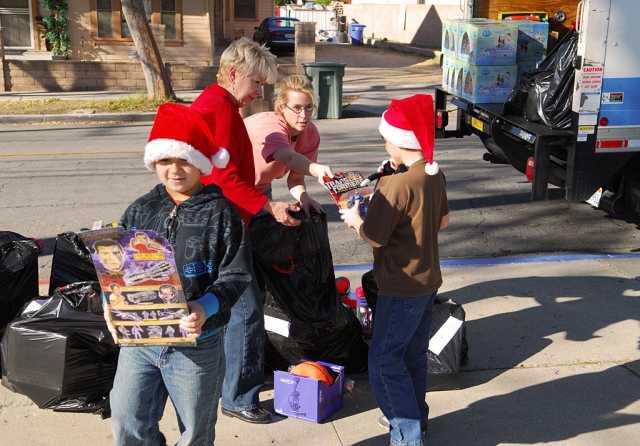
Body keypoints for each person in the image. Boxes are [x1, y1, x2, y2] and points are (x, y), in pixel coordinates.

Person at [104, 102, 253, 445]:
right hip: (141, 340)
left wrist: (205, 307)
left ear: (201, 162)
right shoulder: (140, 208)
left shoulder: (222, 214)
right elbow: (117, 269)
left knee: (195, 433)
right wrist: (109, 305)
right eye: (164, 160)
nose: (174, 170)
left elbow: (237, 274)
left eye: (184, 159)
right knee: (127, 423)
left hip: (196, 346)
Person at [190, 37, 296, 424]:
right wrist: (267, 204)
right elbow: (224, 178)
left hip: (223, 222)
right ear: (234, 74)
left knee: (226, 309)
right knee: (245, 312)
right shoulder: (218, 107)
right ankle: (238, 396)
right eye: (257, 83)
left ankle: (227, 385)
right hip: (224, 226)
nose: (259, 92)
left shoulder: (219, 103)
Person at [339, 94, 450, 446]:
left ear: (400, 141)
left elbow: (374, 237)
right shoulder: (431, 173)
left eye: (386, 136)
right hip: (427, 280)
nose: (384, 142)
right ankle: (418, 419)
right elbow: (443, 221)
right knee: (413, 355)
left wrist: (355, 218)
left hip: (399, 286)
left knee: (385, 362)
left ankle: (407, 436)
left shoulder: (395, 185)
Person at [245, 74, 334, 216]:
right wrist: (318, 170)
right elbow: (289, 158)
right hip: (229, 188)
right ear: (282, 107)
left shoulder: (310, 133)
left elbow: (296, 178)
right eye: (297, 108)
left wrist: (304, 197)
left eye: (309, 107)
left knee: (263, 235)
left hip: (261, 189)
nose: (304, 115)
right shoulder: (270, 128)